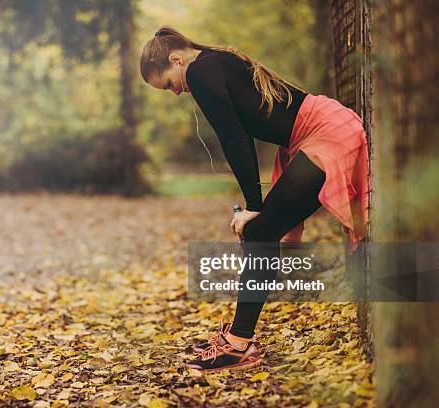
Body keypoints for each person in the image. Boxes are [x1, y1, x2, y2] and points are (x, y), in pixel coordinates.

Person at [140, 26, 369, 372]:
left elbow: (235, 140)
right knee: (260, 234)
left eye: (169, 83)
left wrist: (254, 206)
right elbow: (244, 135)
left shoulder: (201, 72)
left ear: (176, 60)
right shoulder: (215, 61)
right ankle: (239, 336)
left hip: (326, 133)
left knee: (260, 233)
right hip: (324, 126)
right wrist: (254, 207)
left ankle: (238, 344)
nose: (175, 92)